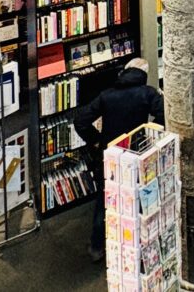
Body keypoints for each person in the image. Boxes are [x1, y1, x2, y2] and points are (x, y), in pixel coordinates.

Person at [74, 58, 165, 261]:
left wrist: (96, 140)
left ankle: (97, 247)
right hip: (136, 152)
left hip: (110, 154)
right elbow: (164, 115)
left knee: (105, 200)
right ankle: (138, 242)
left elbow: (80, 120)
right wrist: (147, 135)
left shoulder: (107, 95)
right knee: (139, 197)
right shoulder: (147, 93)